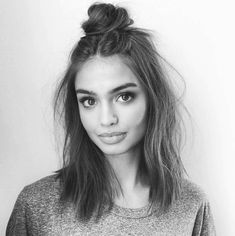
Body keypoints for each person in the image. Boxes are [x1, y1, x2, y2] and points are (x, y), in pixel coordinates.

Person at [6, 3, 216, 235]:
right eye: (89, 101)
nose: (106, 119)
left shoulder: (190, 205)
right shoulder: (36, 206)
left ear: (152, 98)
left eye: (124, 97)